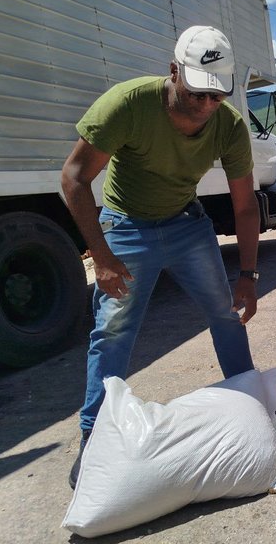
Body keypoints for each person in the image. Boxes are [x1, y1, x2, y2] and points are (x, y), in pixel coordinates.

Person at [61, 25, 261, 489]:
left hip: (186, 225)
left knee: (227, 314)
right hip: (125, 225)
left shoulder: (229, 125)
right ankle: (94, 436)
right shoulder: (128, 104)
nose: (207, 107)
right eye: (197, 94)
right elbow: (73, 178)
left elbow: (246, 205)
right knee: (112, 331)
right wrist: (103, 256)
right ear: (174, 72)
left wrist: (248, 274)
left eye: (217, 96)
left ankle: (251, 400)